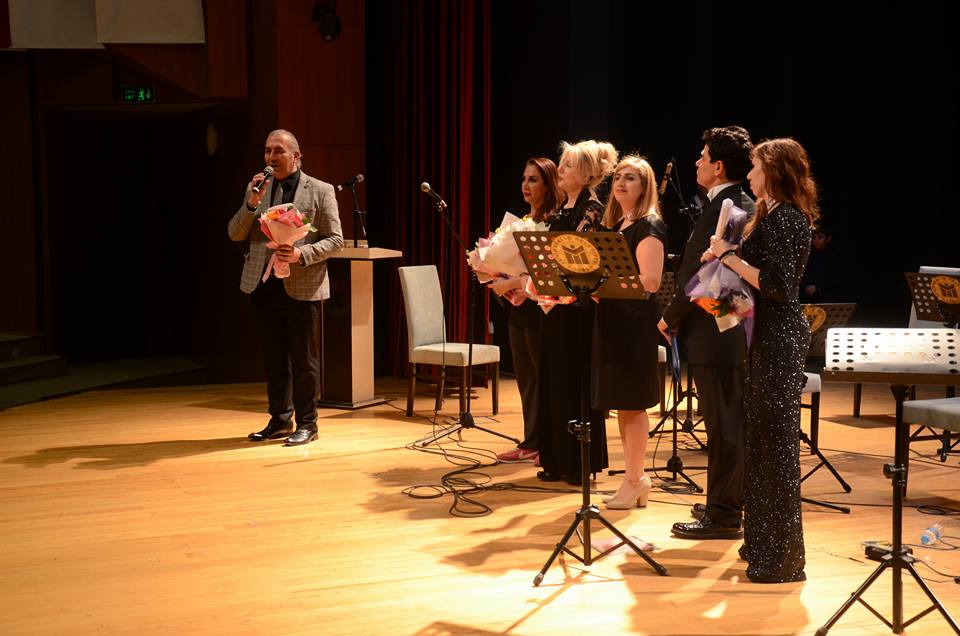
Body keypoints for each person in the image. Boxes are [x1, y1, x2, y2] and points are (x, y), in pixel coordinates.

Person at [703, 137, 816, 583]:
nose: (748, 175)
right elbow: (748, 284)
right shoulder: (770, 215)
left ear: (774, 170)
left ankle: (783, 558)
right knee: (762, 445)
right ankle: (762, 542)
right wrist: (720, 262)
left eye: (754, 167)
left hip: (779, 338)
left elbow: (778, 285)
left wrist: (729, 258)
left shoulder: (787, 218)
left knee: (776, 449)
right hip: (763, 334)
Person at [659, 126, 755, 539]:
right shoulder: (729, 203)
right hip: (719, 329)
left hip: (718, 332)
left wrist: (669, 316)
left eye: (702, 157)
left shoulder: (731, 206)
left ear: (717, 166)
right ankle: (725, 501)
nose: (696, 163)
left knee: (724, 425)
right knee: (723, 423)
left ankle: (724, 515)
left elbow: (705, 274)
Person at [227, 129, 344, 446]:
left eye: (278, 151)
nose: (271, 157)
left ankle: (308, 424)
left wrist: (300, 254)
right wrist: (251, 204)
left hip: (301, 285)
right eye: (267, 151)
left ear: (296, 156)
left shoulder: (320, 190)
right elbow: (235, 233)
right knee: (274, 359)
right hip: (264, 285)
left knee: (304, 361)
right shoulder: (257, 189)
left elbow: (336, 240)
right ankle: (280, 420)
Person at [535, 139, 617, 485]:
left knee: (573, 382)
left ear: (585, 174)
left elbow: (582, 261)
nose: (560, 169)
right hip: (555, 308)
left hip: (578, 311)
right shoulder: (561, 208)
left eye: (567, 165)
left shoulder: (592, 209)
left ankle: (578, 464)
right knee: (553, 380)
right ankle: (555, 459)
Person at [591, 156, 666, 509]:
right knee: (623, 404)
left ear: (644, 186)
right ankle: (635, 479)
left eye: (631, 177)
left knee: (633, 404)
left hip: (634, 324)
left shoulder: (649, 226)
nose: (621, 182)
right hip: (614, 319)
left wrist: (603, 285)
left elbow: (650, 281)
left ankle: (634, 480)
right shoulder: (618, 225)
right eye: (618, 176)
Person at [494, 158, 562, 464]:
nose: (526, 185)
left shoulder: (555, 223)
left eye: (533, 179)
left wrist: (521, 284)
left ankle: (549, 443)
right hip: (519, 310)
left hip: (541, 309)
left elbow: (549, 272)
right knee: (526, 380)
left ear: (548, 184)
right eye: (524, 179)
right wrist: (499, 279)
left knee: (543, 378)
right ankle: (531, 440)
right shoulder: (520, 221)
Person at [799, 223, 837, 303]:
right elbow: (801, 273)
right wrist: (805, 285)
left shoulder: (831, 256)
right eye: (813, 237)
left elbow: (833, 278)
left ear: (828, 239)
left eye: (820, 237)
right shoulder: (807, 254)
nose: (816, 240)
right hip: (806, 294)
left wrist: (817, 287)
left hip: (824, 295)